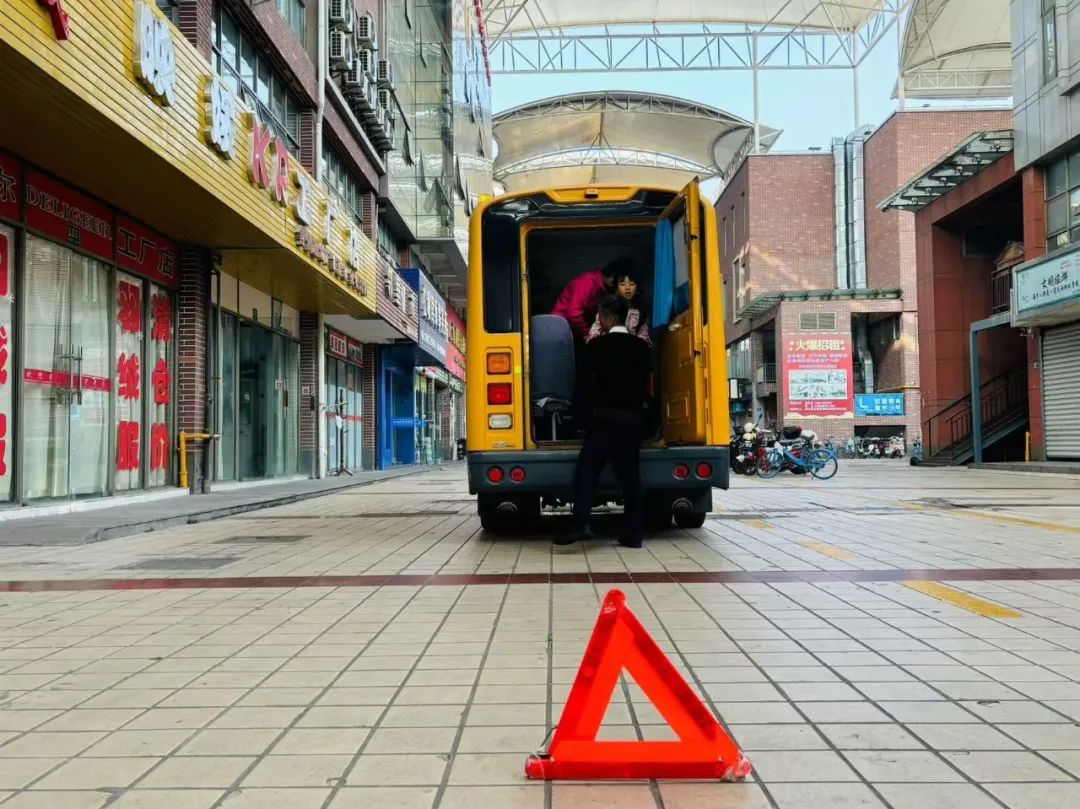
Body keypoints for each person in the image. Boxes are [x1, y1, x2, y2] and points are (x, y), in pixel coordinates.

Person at [558, 295, 652, 549]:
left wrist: (579, 418)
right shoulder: (642, 348)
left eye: (600, 315)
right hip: (631, 421)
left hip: (602, 420)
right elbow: (647, 386)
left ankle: (582, 524)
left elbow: (584, 387)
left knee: (587, 470)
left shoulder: (595, 348)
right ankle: (633, 535)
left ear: (607, 318)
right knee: (631, 477)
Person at [551, 257, 630, 341]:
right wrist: (588, 333)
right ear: (612, 277)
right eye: (619, 282)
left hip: (573, 330)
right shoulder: (587, 282)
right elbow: (574, 314)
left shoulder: (604, 287)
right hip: (560, 327)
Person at [587, 266, 651, 345]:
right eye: (623, 284)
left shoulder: (641, 311)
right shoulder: (607, 306)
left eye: (632, 284)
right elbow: (596, 329)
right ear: (616, 288)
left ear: (637, 288)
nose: (627, 288)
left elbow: (643, 337)